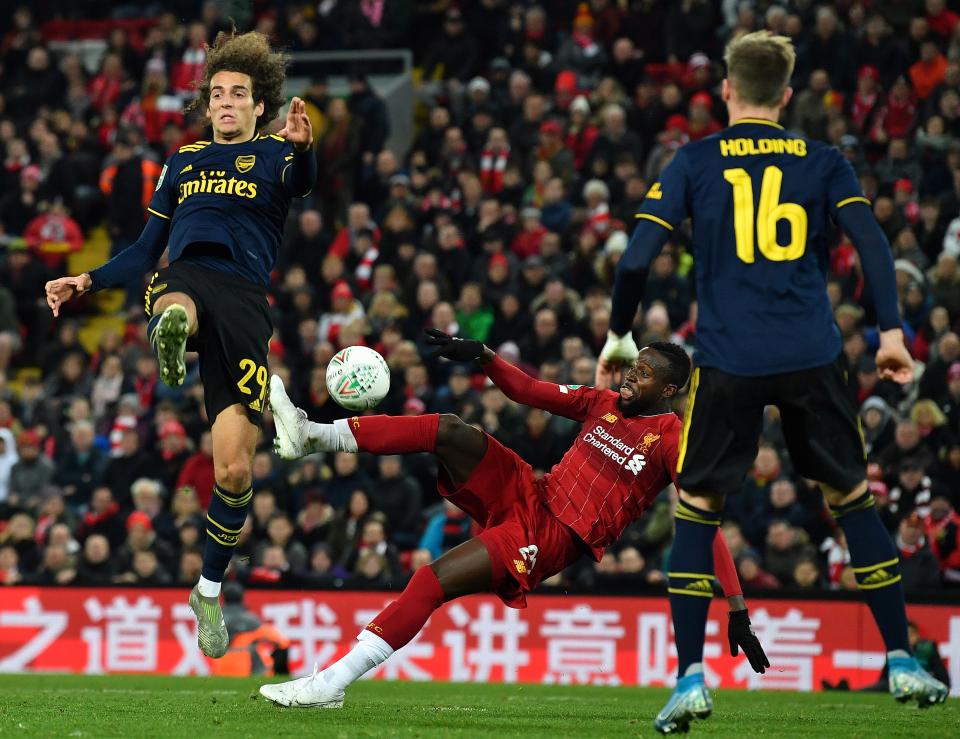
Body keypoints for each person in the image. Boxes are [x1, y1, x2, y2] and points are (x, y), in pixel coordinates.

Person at [597, 31, 948, 733]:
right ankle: (903, 658)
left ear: (726, 89)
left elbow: (636, 258)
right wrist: (888, 331)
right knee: (851, 499)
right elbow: (872, 244)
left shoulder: (694, 159)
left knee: (697, 507)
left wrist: (619, 331)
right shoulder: (824, 161)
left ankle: (691, 678)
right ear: (787, 96)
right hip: (812, 353)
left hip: (728, 359)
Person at [259, 330, 768, 708]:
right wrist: (483, 355)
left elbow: (704, 521)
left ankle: (330, 684)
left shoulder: (671, 438)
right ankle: (312, 436)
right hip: (530, 491)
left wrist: (737, 607)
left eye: (647, 372)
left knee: (429, 582)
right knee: (450, 430)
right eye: (634, 367)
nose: (633, 376)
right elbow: (526, 390)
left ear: (672, 389)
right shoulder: (602, 403)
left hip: (551, 537)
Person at [43, 31, 316, 659]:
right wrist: (86, 279)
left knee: (236, 468)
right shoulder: (184, 161)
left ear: (258, 104)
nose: (224, 103)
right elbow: (143, 250)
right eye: (217, 93)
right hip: (188, 277)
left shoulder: (278, 152)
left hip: (247, 303)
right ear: (208, 102)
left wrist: (304, 152)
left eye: (238, 94)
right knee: (174, 299)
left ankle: (208, 590)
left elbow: (302, 183)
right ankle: (175, 333)